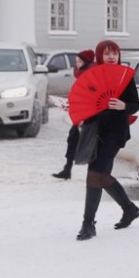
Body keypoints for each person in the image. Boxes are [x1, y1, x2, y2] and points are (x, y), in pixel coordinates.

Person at [75, 40, 139, 241]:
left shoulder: (124, 75)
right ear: (99, 56)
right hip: (95, 132)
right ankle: (130, 209)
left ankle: (88, 224)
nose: (111, 57)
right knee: (102, 175)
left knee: (94, 174)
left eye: (114, 53)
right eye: (107, 54)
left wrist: (123, 106)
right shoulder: (92, 76)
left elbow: (135, 104)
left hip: (115, 133)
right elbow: (84, 102)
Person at [53, 49, 94, 180]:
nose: (77, 64)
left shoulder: (90, 76)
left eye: (79, 61)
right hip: (79, 115)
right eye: (76, 62)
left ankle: (94, 173)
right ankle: (67, 169)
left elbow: (91, 97)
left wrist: (84, 116)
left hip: (88, 117)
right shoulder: (81, 74)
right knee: (72, 140)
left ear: (86, 62)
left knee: (90, 145)